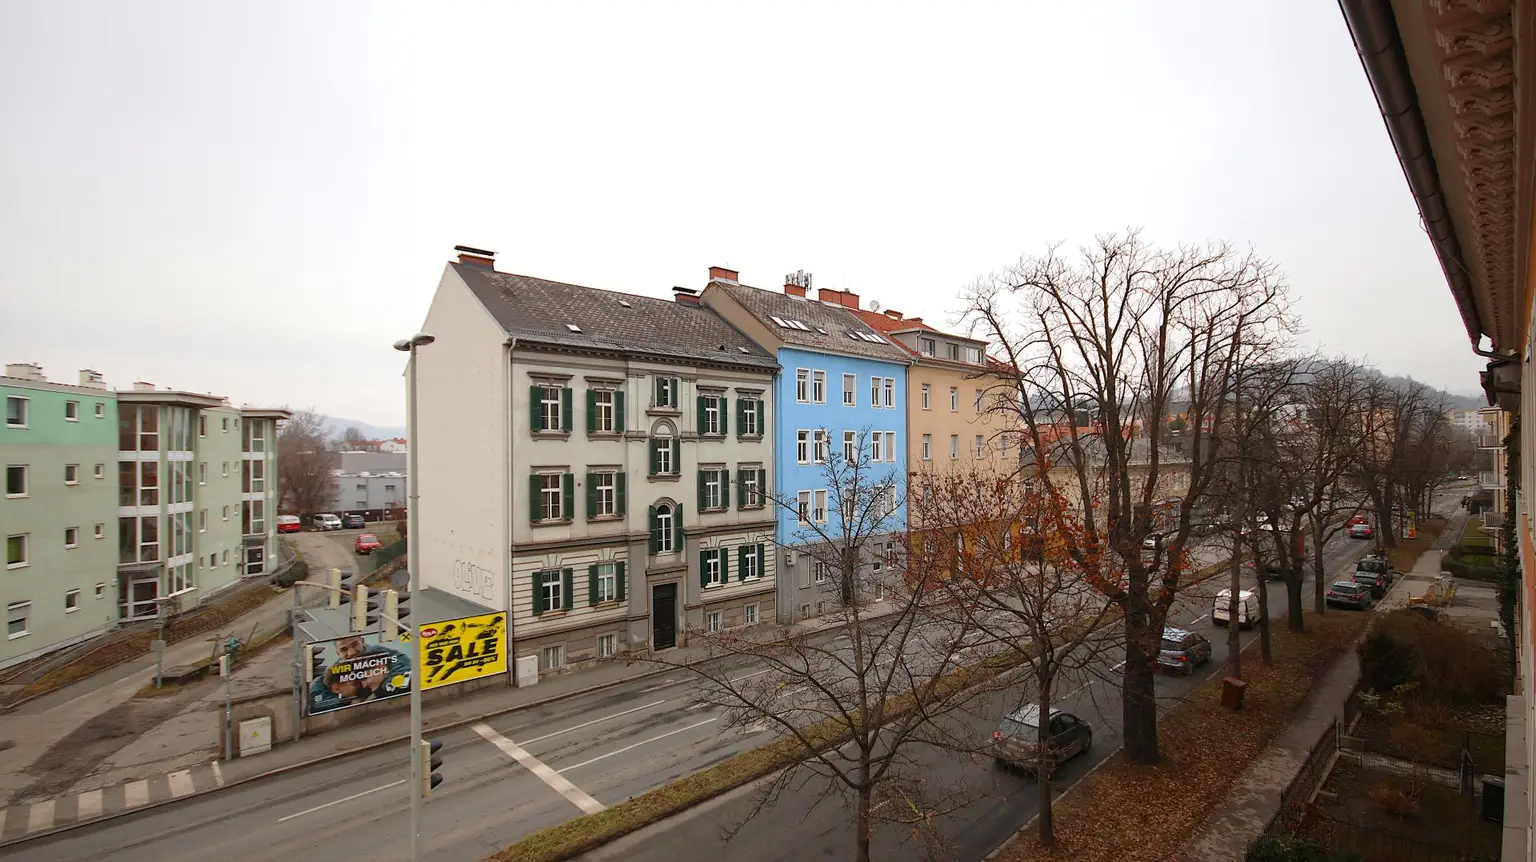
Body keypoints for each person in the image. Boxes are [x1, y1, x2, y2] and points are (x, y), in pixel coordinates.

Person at [308, 634, 412, 714]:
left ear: (362, 641)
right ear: (338, 653)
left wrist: (377, 693)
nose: (351, 652)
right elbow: (316, 699)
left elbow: (407, 669)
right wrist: (347, 701)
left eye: (355, 644)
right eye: (343, 650)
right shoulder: (339, 667)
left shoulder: (382, 653)